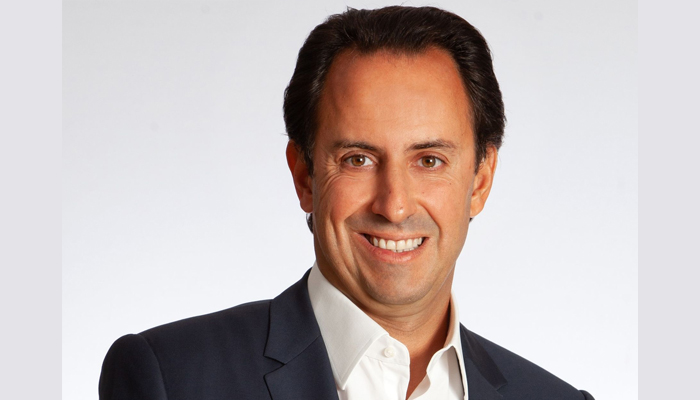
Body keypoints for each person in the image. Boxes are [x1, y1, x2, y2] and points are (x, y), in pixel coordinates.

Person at [99, 6, 594, 400]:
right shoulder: (172, 379)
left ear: (481, 180)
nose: (394, 206)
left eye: (429, 160)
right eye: (358, 159)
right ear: (305, 176)